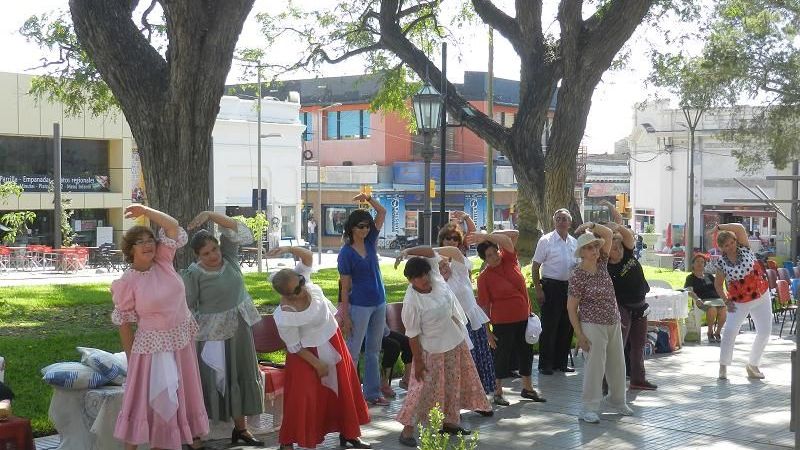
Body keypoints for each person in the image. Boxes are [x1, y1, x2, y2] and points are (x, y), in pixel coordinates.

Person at [111, 204, 209, 450]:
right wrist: (132, 360)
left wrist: (145, 210)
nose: (148, 245)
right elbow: (123, 324)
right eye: (140, 242)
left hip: (180, 344)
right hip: (151, 350)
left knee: (175, 401)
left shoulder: (164, 261)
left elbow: (173, 226)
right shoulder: (128, 281)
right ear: (129, 250)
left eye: (150, 240)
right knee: (145, 403)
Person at [271, 247, 371, 450]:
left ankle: (349, 432)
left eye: (300, 281)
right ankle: (288, 441)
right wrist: (317, 364)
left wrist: (288, 248)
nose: (302, 287)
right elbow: (294, 346)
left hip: (333, 341)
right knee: (304, 398)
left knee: (344, 389)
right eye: (296, 289)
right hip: (305, 355)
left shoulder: (304, 282)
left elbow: (307, 256)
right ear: (287, 295)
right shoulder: (285, 314)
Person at [182, 211, 264, 447]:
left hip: (239, 328)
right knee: (215, 378)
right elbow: (188, 303)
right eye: (206, 253)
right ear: (197, 256)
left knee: (242, 373)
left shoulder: (229, 258)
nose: (212, 256)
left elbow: (238, 229)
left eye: (214, 249)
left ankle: (241, 429)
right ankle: (196, 435)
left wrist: (210, 215)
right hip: (212, 334)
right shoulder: (194, 273)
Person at [395, 253, 491, 448]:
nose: (420, 280)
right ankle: (408, 430)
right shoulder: (412, 301)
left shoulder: (438, 283)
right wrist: (419, 361)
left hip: (454, 343)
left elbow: (430, 253)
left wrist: (410, 250)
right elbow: (412, 335)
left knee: (452, 384)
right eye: (414, 278)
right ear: (409, 280)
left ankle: (450, 421)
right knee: (421, 389)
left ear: (429, 273)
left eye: (422, 275)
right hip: (430, 350)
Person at [566, 223, 633, 424]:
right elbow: (571, 308)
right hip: (592, 324)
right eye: (589, 248)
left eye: (595, 246)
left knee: (617, 363)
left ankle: (617, 400)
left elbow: (607, 235)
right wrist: (580, 334)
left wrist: (591, 226)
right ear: (581, 253)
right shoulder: (578, 275)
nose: (594, 250)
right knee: (595, 367)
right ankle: (588, 408)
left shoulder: (603, 262)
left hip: (613, 321)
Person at [471, 230, 546, 406]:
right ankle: (498, 392)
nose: (494, 256)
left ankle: (527, 388)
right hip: (502, 322)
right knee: (502, 357)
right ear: (484, 259)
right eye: (489, 255)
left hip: (523, 318)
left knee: (525, 352)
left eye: (495, 252)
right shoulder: (484, 278)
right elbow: (484, 306)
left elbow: (511, 235)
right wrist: (488, 332)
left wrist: (487, 236)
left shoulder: (509, 259)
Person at [337, 193, 389, 405]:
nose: (365, 229)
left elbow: (382, 212)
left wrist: (368, 198)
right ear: (351, 228)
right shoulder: (346, 254)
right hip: (358, 305)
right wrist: (345, 314)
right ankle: (349, 394)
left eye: (367, 226)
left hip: (379, 301)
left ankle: (372, 393)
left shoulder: (370, 242)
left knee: (374, 351)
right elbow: (345, 286)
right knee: (353, 350)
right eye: (360, 226)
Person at [596, 218, 657, 391]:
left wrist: (618, 227)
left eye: (620, 247)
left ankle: (638, 379)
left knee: (638, 346)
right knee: (617, 347)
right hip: (621, 308)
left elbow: (628, 237)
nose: (619, 250)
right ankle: (606, 383)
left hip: (640, 306)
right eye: (614, 248)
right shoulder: (606, 267)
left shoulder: (628, 254)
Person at [710, 223, 772, 380]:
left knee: (764, 332)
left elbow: (739, 228)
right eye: (726, 245)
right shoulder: (722, 263)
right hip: (739, 301)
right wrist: (726, 300)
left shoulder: (745, 247)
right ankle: (723, 366)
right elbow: (718, 284)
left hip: (761, 295)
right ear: (722, 248)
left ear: (736, 241)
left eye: (732, 242)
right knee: (730, 331)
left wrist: (719, 228)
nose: (730, 246)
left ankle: (753, 365)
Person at [531, 208, 578, 375]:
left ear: (569, 222)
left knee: (566, 326)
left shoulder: (574, 242)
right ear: (554, 221)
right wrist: (538, 288)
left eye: (564, 218)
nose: (561, 221)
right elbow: (535, 266)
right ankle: (545, 364)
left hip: (569, 287)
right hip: (551, 287)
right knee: (550, 327)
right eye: (558, 218)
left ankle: (561, 362)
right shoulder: (546, 240)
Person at [685, 254, 728, 343]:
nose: (700, 264)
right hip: (703, 300)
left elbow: (718, 286)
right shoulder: (690, 277)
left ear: (705, 264)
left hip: (716, 299)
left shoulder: (709, 276)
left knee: (723, 309)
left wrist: (724, 297)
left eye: (702, 262)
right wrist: (697, 299)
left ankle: (718, 332)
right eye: (697, 262)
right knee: (712, 309)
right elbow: (689, 290)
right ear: (693, 264)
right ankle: (710, 332)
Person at [380, 327, 412, 397]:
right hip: (368, 334)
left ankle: (406, 380)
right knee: (393, 347)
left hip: (384, 331)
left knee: (408, 342)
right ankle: (384, 384)